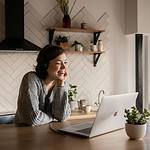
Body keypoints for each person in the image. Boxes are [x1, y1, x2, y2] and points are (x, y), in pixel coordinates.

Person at [15, 45, 71, 126]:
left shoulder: (61, 83)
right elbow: (33, 118)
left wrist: (61, 85)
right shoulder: (31, 78)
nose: (64, 67)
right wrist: (52, 117)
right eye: (58, 63)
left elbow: (61, 116)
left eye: (65, 62)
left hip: (47, 132)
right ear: (45, 65)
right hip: (24, 133)